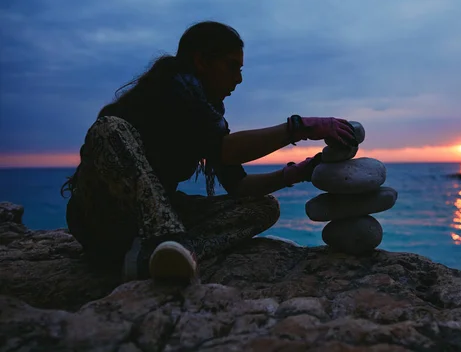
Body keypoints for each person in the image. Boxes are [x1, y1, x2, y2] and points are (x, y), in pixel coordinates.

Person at [61, 21, 357, 283]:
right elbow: (225, 150)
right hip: (101, 221)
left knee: (264, 207)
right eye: (232, 67)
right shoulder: (164, 92)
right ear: (202, 61)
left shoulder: (206, 114)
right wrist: (300, 127)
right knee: (109, 129)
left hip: (146, 227)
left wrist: (302, 171)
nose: (238, 79)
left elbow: (239, 184)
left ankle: (169, 254)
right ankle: (163, 246)